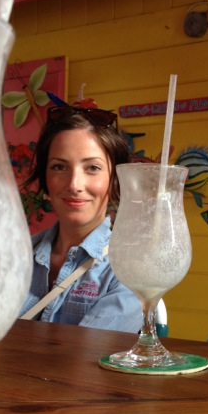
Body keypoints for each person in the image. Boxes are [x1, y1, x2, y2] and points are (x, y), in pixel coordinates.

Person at [19, 104, 143, 331]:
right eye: (59, 167)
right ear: (45, 179)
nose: (75, 185)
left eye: (92, 168)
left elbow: (88, 357)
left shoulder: (131, 268)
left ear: (115, 180)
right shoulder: (14, 256)